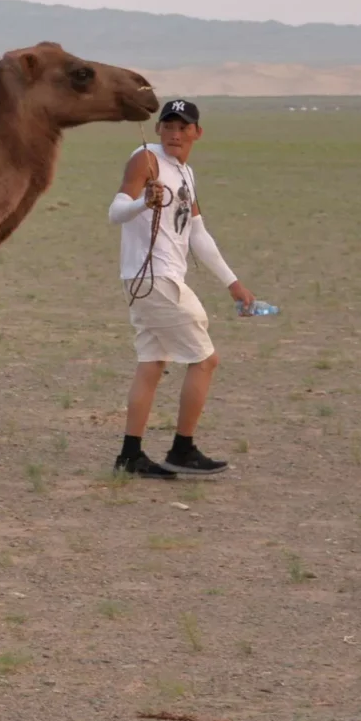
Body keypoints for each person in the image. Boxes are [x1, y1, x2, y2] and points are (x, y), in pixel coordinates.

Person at [107, 98, 256, 478]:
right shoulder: (146, 159)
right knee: (205, 360)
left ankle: (130, 455)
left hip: (159, 278)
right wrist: (143, 202)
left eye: (183, 127)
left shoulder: (185, 174)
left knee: (153, 363)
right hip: (154, 278)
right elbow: (115, 211)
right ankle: (182, 449)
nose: (175, 133)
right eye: (168, 126)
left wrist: (232, 282)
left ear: (197, 133)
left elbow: (198, 234)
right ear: (158, 129)